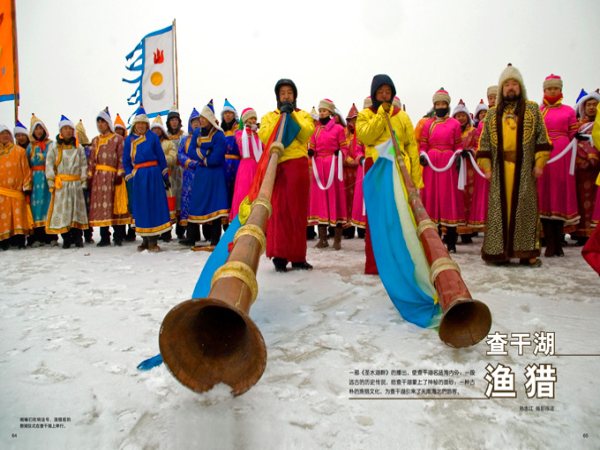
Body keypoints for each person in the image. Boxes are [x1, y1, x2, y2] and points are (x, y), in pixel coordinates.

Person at [477, 64, 552, 267]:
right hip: (499, 172)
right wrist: (487, 167)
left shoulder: (532, 110)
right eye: (507, 84)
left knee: (525, 210)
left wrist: (539, 163)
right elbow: (484, 143)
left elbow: (542, 139)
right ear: (502, 88)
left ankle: (526, 253)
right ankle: (498, 253)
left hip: (524, 170)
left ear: (521, 87)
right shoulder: (492, 114)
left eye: (514, 84)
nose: (511, 87)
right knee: (498, 212)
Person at [356, 74, 422, 273]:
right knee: (377, 216)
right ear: (374, 94)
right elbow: (366, 136)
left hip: (399, 168)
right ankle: (375, 264)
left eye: (388, 92)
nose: (384, 96)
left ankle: (400, 261)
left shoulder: (402, 116)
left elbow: (411, 146)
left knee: (399, 214)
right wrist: (380, 115)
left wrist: (415, 180)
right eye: (380, 92)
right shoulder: (365, 115)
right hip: (376, 167)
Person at [259, 78, 315, 272]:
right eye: (282, 93)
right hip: (277, 165)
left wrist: (292, 115)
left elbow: (306, 134)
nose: (286, 96)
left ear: (295, 95)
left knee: (297, 212)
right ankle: (280, 256)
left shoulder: (303, 115)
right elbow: (266, 136)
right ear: (277, 96)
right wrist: (281, 116)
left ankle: (298, 257)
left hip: (297, 166)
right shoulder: (269, 117)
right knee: (279, 211)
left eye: (289, 93)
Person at [538, 74, 579, 257]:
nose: (552, 91)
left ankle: (559, 242)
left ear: (560, 90)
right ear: (544, 90)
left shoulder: (569, 110)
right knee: (544, 195)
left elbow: (573, 134)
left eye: (555, 88)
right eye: (549, 89)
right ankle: (550, 243)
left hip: (563, 154)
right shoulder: (539, 111)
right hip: (543, 154)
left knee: (560, 195)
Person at [419, 88, 465, 253]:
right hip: (431, 164)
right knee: (432, 197)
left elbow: (458, 145)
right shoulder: (428, 124)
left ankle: (451, 241)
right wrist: (422, 155)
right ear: (434, 105)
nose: (440, 107)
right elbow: (423, 145)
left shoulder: (455, 124)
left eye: (443, 104)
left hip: (448, 163)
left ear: (447, 105)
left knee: (447, 198)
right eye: (437, 104)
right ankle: (434, 241)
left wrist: (458, 155)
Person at [179, 100, 229, 250]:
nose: (201, 120)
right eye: (200, 118)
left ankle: (214, 239)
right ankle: (191, 237)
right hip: (201, 173)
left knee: (216, 205)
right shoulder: (197, 133)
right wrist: (206, 152)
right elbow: (191, 151)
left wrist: (202, 156)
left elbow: (217, 157)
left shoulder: (219, 135)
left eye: (204, 118)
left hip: (215, 174)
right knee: (196, 203)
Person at [123, 107, 172, 251]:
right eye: (138, 123)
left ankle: (153, 240)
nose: (140, 126)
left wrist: (165, 175)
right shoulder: (129, 140)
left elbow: (161, 157)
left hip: (154, 175)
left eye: (143, 123)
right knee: (142, 206)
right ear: (134, 124)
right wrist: (130, 176)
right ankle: (144, 240)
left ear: (147, 125)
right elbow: (126, 161)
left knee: (154, 206)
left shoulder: (153, 137)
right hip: (139, 177)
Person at [308, 98, 348, 250]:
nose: (321, 113)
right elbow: (312, 146)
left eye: (324, 110)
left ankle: (337, 239)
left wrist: (339, 153)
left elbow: (344, 149)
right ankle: (323, 238)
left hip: (333, 166)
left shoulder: (338, 129)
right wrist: (311, 151)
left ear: (330, 112)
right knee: (320, 201)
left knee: (335, 199)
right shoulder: (316, 130)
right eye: (320, 111)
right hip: (319, 167)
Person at [45, 115, 89, 248]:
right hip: (62, 184)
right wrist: (51, 181)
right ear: (61, 131)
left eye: (70, 129)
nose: (68, 131)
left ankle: (78, 237)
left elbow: (83, 165)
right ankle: (66, 238)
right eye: (65, 129)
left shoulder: (79, 148)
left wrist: (83, 181)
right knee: (64, 211)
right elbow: (49, 164)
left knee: (76, 211)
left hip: (76, 183)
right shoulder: (54, 147)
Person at [87, 108, 129, 247]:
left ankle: (118, 236)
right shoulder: (95, 141)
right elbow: (92, 160)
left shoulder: (118, 139)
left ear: (108, 123)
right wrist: (89, 176)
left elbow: (121, 157)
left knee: (114, 205)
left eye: (103, 122)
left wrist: (120, 173)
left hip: (113, 176)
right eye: (98, 122)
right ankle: (104, 236)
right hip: (99, 178)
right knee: (101, 207)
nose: (100, 124)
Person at [572, 90, 600, 244]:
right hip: (580, 169)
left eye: (595, 104)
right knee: (580, 199)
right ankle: (580, 233)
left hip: (596, 169)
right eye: (588, 105)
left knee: (595, 200)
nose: (591, 107)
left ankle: (594, 233)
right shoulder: (577, 126)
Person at [25, 114, 57, 247]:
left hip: (48, 177)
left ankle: (51, 236)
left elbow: (55, 159)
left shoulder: (51, 144)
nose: (38, 131)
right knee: (36, 208)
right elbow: (26, 164)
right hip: (35, 179)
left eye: (40, 128)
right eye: (36, 129)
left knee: (49, 206)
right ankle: (39, 237)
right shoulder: (30, 147)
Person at [0, 124, 32, 250]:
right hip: (2, 192)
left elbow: (26, 170)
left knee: (18, 217)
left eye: (7, 133)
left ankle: (20, 241)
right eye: (2, 134)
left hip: (17, 190)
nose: (5, 136)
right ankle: (4, 242)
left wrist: (27, 186)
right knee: (4, 219)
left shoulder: (19, 151)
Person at [452, 99, 479, 244]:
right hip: (455, 166)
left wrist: (471, 152)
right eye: (458, 116)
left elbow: (478, 146)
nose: (461, 118)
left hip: (470, 168)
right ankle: (453, 228)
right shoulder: (452, 131)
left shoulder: (473, 131)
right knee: (456, 196)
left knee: (469, 197)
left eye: (463, 115)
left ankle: (468, 231)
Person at [229, 107, 262, 221]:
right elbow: (243, 146)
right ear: (245, 120)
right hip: (246, 167)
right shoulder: (240, 133)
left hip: (258, 166)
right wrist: (248, 130)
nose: (253, 121)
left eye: (255, 118)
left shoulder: (259, 135)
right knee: (244, 193)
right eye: (250, 118)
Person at [151, 114, 177, 242]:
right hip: (152, 177)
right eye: (154, 129)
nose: (156, 131)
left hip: (166, 177)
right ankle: (155, 231)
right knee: (154, 204)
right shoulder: (147, 143)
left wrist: (158, 159)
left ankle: (167, 232)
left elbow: (172, 158)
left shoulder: (168, 143)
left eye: (158, 129)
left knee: (166, 205)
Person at [177, 108, 201, 235]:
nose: (196, 124)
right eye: (194, 122)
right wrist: (188, 162)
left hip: (202, 172)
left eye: (198, 121)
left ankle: (208, 231)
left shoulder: (204, 138)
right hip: (189, 174)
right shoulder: (185, 140)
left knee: (202, 199)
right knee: (189, 201)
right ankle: (192, 232)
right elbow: (180, 153)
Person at [113, 113, 136, 242]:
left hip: (129, 176)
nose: (118, 132)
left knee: (130, 203)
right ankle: (119, 231)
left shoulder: (129, 142)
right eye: (116, 129)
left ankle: (131, 231)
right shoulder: (111, 143)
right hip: (116, 177)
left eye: (120, 130)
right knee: (119, 204)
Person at [166, 104, 186, 240]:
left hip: (182, 171)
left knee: (181, 200)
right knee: (169, 199)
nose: (174, 122)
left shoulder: (184, 136)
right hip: (169, 172)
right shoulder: (165, 137)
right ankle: (166, 231)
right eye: (172, 120)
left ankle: (181, 230)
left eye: (176, 120)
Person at [343, 103, 363, 239]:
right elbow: (342, 150)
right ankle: (348, 230)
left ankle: (362, 229)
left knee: (361, 199)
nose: (354, 122)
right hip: (348, 172)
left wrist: (361, 160)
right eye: (352, 119)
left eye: (357, 119)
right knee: (348, 200)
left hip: (361, 170)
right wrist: (350, 160)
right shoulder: (345, 134)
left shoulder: (363, 134)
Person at [221, 99, 241, 218]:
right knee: (224, 193)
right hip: (223, 165)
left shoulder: (238, 129)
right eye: (225, 113)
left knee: (235, 191)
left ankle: (235, 217)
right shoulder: (220, 131)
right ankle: (224, 220)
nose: (227, 115)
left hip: (236, 164)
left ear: (234, 115)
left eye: (229, 113)